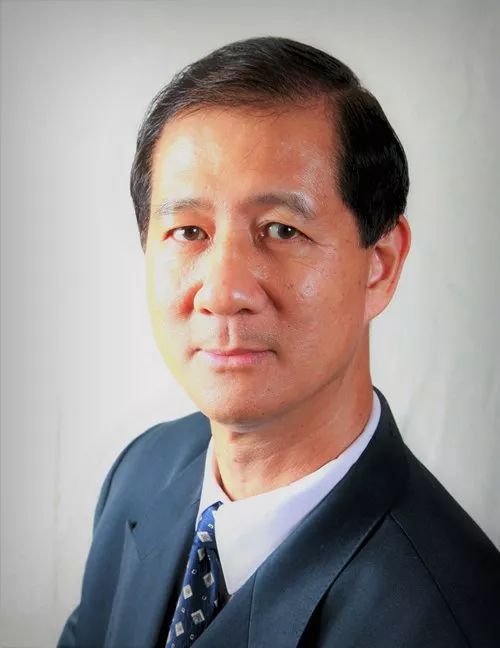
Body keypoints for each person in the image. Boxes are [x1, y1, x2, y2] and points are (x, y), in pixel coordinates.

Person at [58, 36, 500, 648]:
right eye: (189, 231)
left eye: (281, 230)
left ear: (380, 264)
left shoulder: (454, 619)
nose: (223, 292)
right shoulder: (142, 470)